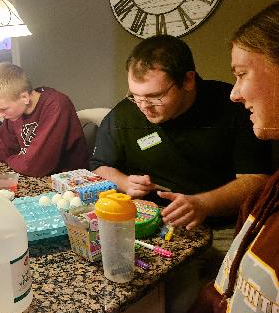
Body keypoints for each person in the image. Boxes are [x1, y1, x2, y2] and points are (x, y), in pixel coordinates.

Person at [175, 2, 279, 313]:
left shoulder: (226, 114)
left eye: (242, 74)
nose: (235, 93)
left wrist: (203, 204)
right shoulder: (269, 196)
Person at [90, 35, 271, 230]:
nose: (144, 106)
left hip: (217, 226)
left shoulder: (234, 107)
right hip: (147, 223)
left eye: (155, 96)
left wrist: (203, 204)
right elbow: (100, 166)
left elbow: (256, 180)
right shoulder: (125, 113)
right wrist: (124, 182)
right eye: (135, 96)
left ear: (187, 80)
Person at [0, 62, 88, 177]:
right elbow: (4, 147)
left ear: (24, 97)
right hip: (39, 177)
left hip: (70, 182)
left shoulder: (56, 105)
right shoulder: (16, 113)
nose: (0, 115)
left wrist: (10, 158)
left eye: (3, 109)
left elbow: (35, 166)